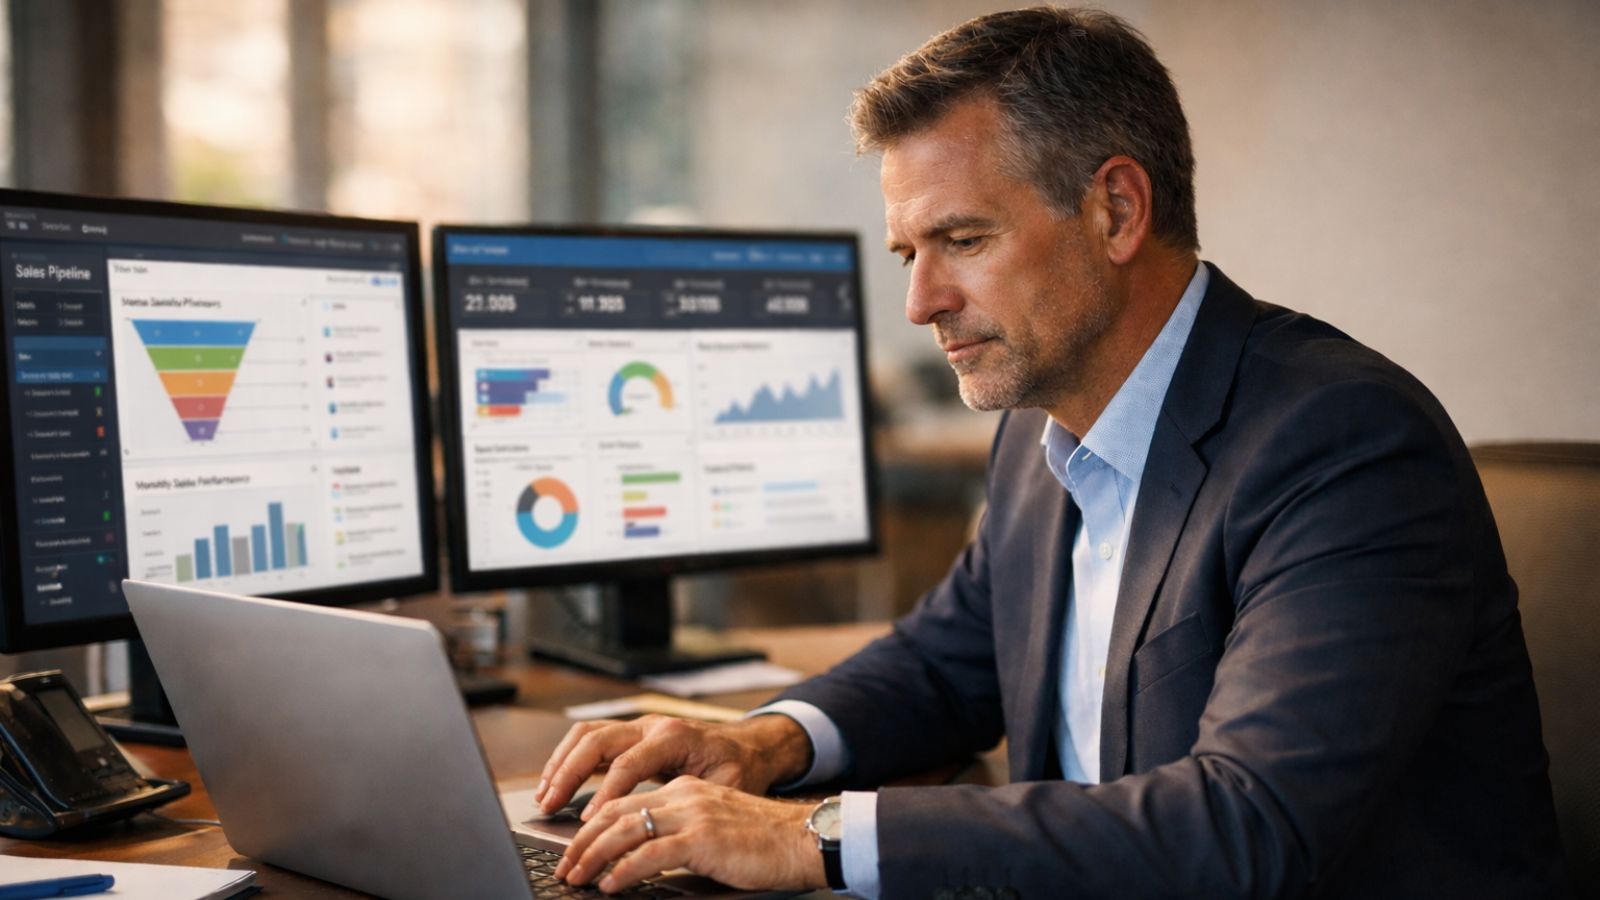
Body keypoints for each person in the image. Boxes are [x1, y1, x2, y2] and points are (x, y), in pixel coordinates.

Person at [534, 7, 1569, 898]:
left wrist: (814, 836)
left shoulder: (1341, 446)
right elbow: (947, 662)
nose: (919, 302)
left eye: (964, 241)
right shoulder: (1044, 423)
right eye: (909, 252)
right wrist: (759, 742)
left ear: (1115, 210)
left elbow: (1246, 825)